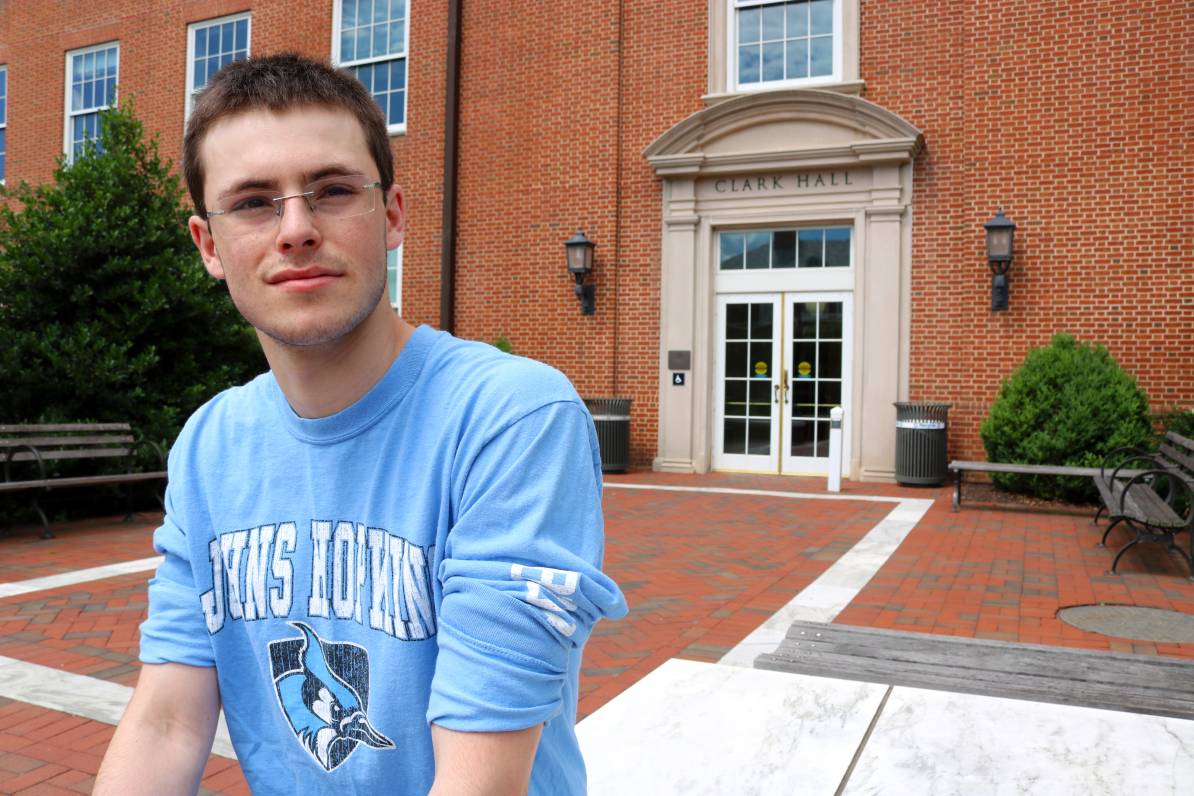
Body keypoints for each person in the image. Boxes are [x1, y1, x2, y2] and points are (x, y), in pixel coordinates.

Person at [95, 53, 627, 796]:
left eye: (334, 190)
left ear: (394, 214)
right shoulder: (209, 447)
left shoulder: (511, 418)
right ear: (210, 246)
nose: (296, 229)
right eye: (253, 202)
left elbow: (480, 778)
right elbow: (165, 724)